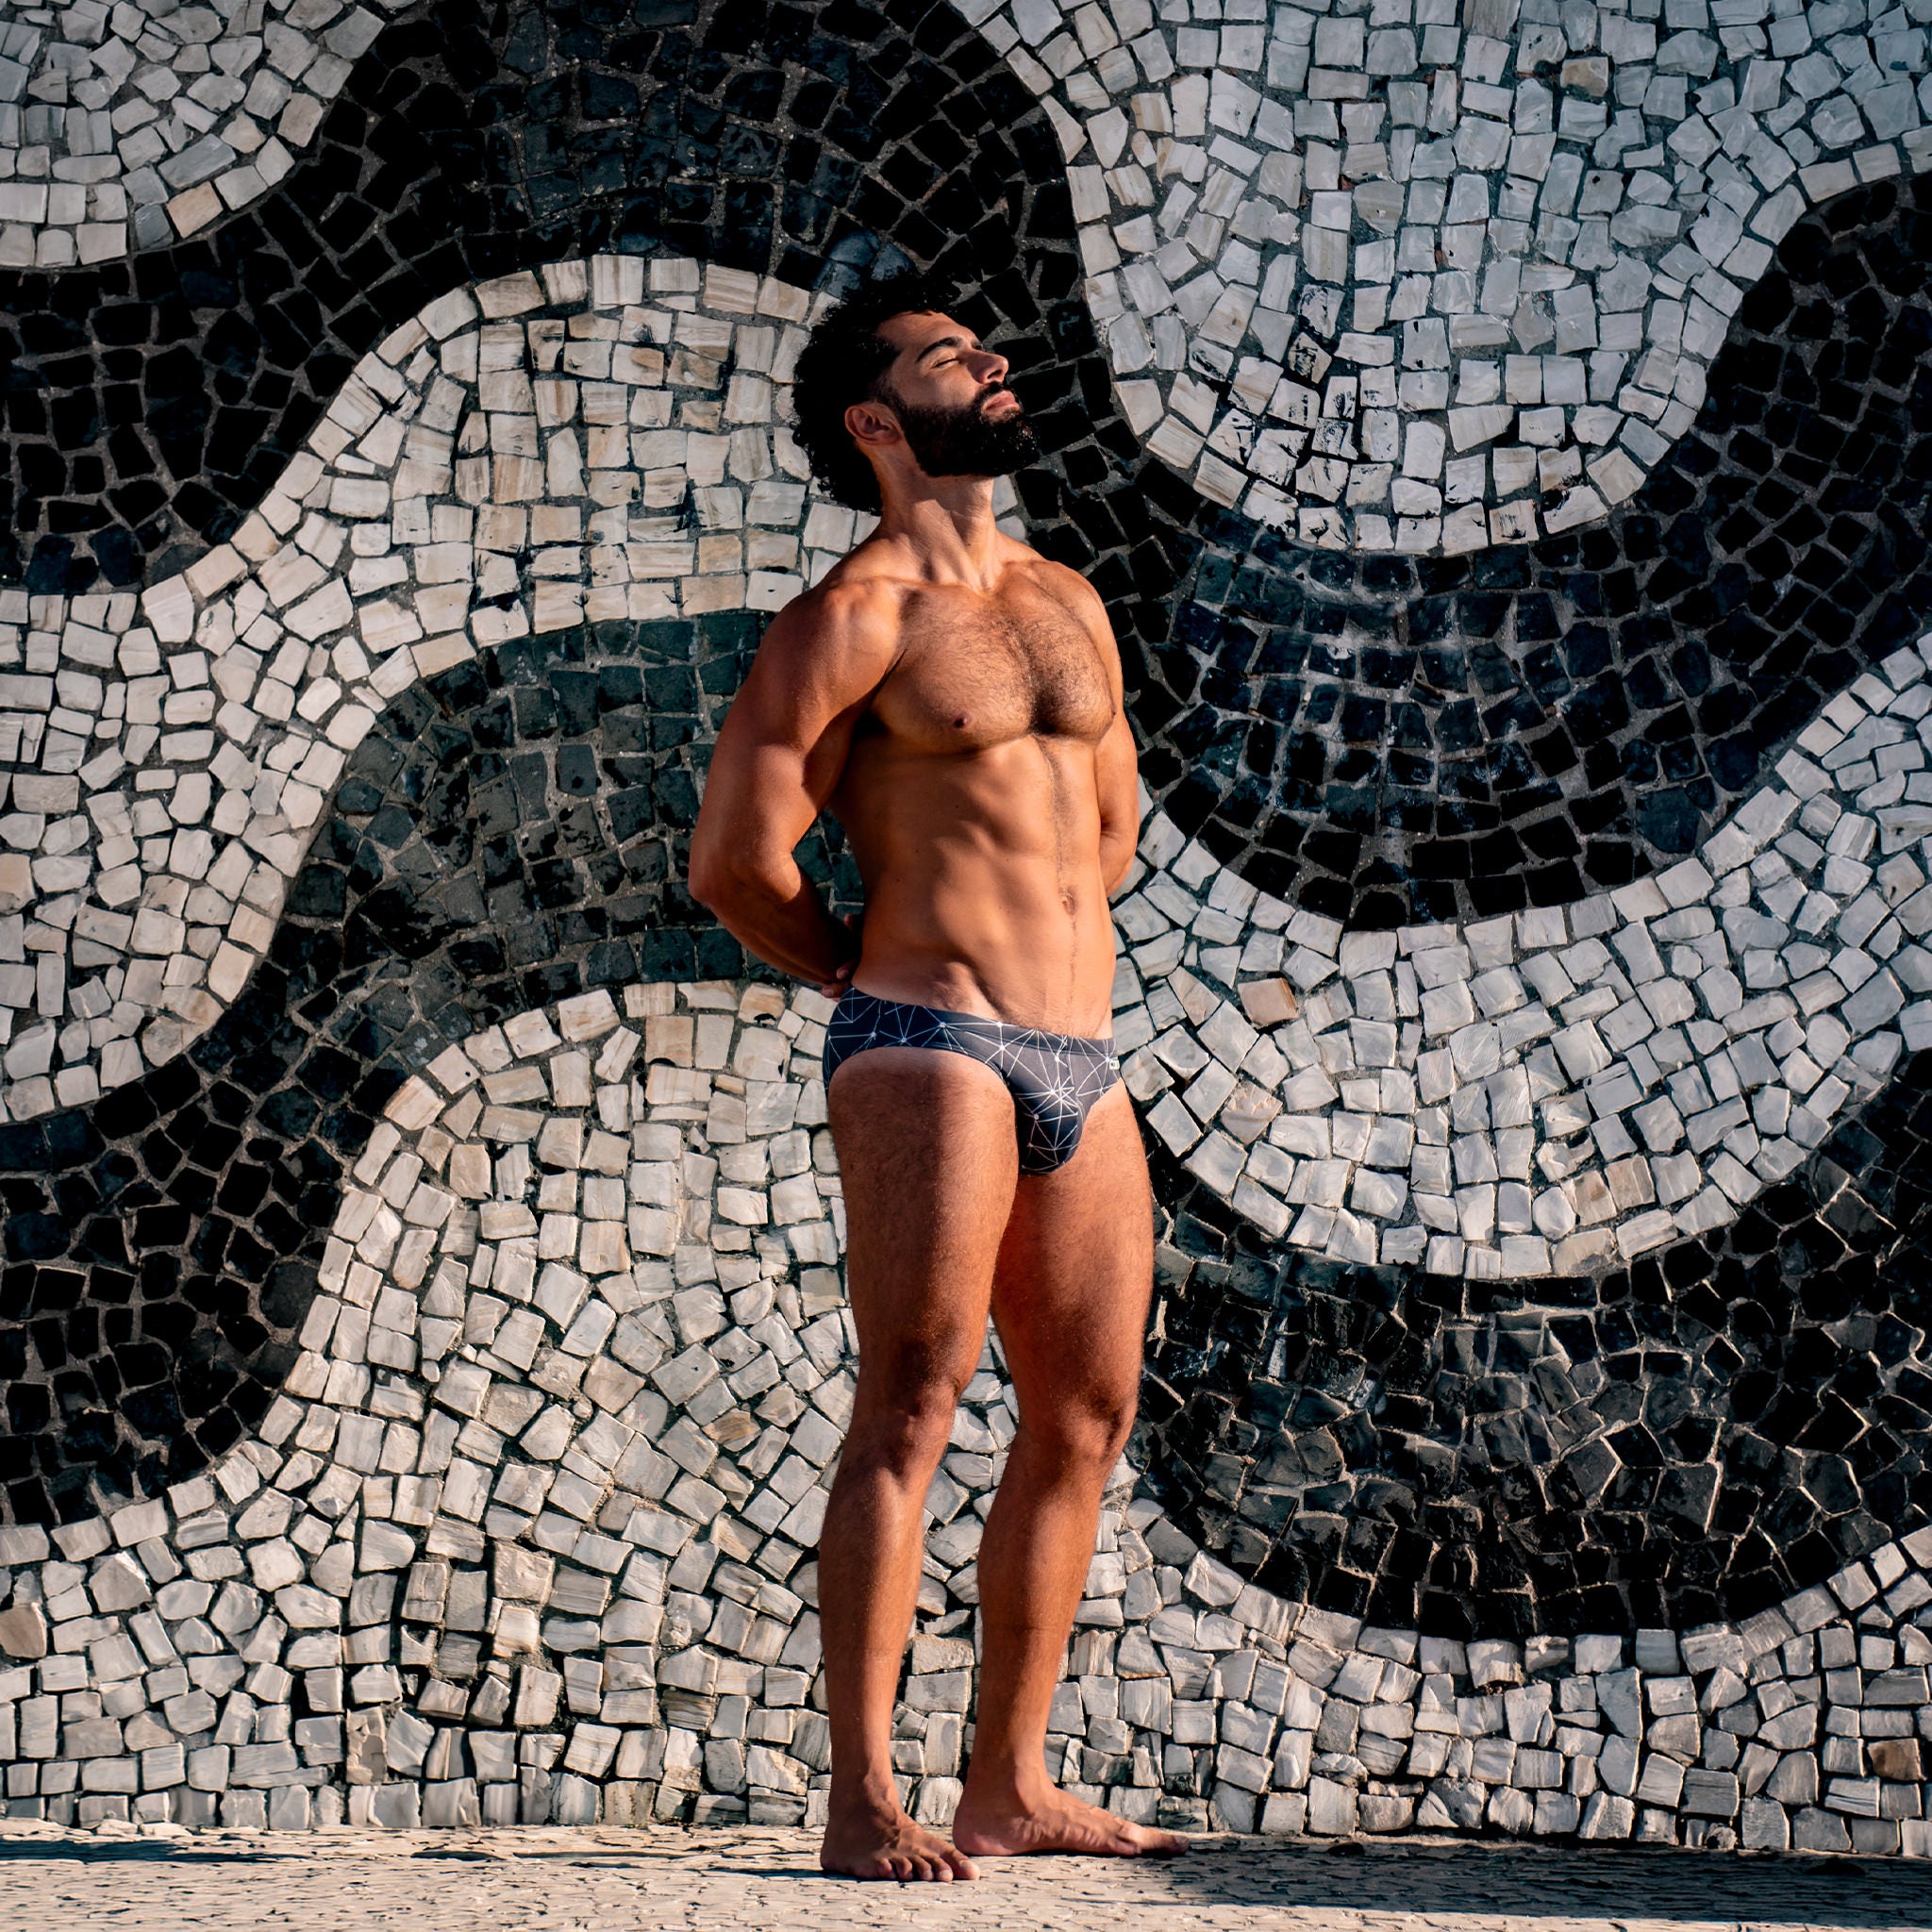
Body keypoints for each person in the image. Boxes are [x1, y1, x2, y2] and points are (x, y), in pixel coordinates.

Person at [687, 273, 1186, 1881]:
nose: (992, 359)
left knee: (1087, 1415)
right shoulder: (853, 617)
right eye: (945, 355)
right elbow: (734, 859)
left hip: (1079, 1050)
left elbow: (1107, 827)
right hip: (930, 1042)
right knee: (911, 1404)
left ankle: (1010, 1783)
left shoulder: (1069, 600)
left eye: (984, 342)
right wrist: (854, 963)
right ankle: (862, 1796)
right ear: (877, 421)